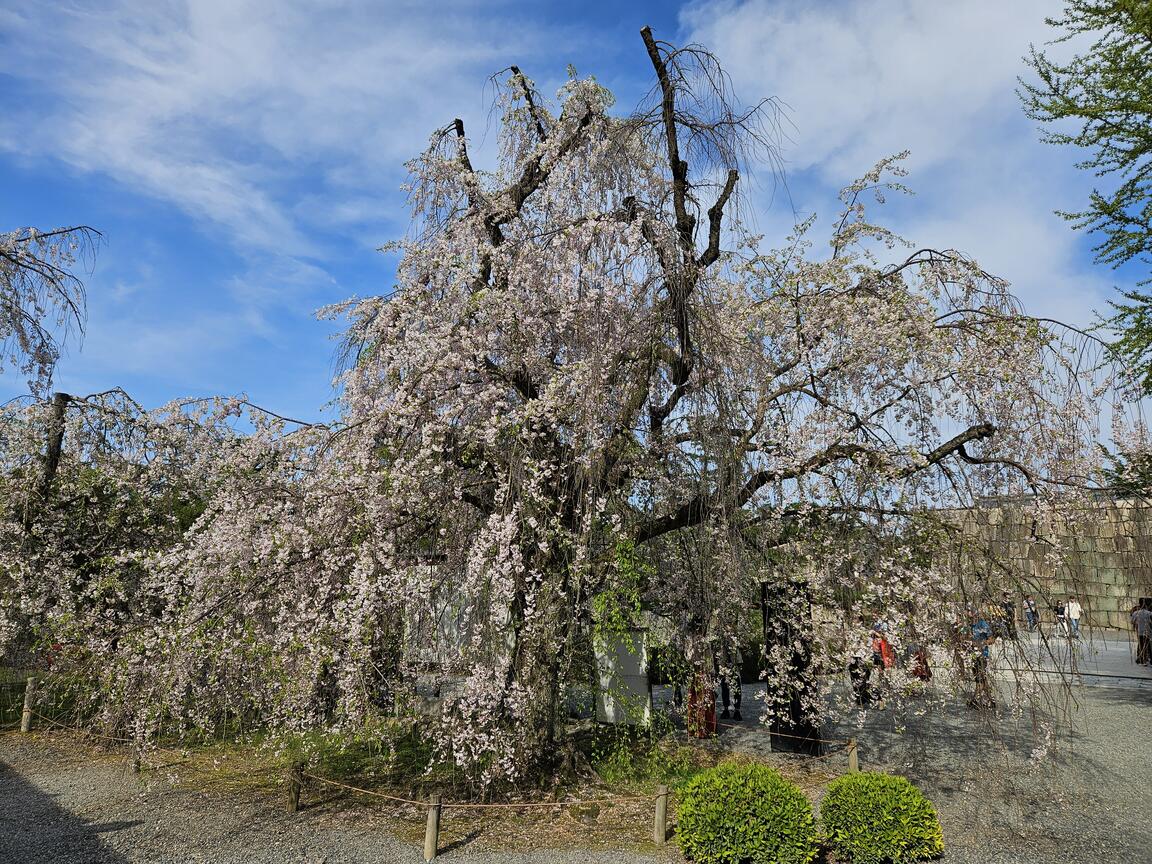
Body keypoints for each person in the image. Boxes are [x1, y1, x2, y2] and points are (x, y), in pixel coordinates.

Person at [968, 610, 995, 708]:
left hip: (982, 655)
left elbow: (992, 639)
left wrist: (981, 644)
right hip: (972, 655)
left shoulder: (983, 624)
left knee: (979, 678)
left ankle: (974, 699)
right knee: (980, 678)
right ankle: (990, 699)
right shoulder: (969, 625)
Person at [1132, 600, 1152, 665]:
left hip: (1139, 631)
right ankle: (1143, 659)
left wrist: (1136, 625)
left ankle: (1141, 658)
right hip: (1147, 632)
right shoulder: (1149, 613)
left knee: (1141, 644)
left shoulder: (1135, 613)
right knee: (1146, 645)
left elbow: (1132, 621)